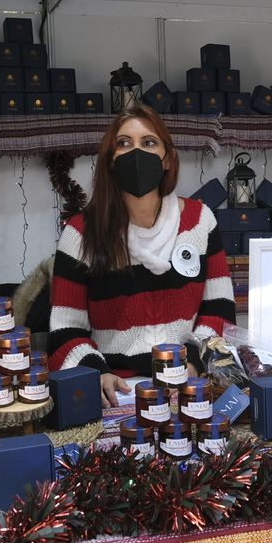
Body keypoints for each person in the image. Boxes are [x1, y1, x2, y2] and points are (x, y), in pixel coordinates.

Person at [48, 105, 235, 405]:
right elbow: (65, 330)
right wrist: (96, 373)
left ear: (167, 159)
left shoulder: (200, 222)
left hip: (187, 388)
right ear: (110, 161)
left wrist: (192, 366)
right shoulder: (81, 233)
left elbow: (219, 311)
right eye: (124, 143)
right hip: (116, 393)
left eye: (149, 142)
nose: (136, 153)